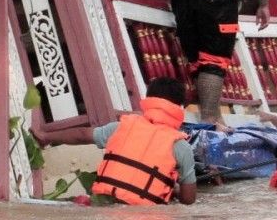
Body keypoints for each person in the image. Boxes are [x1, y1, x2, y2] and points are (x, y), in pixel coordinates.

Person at [33, 77, 197, 205]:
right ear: (180, 107)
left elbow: (82, 134)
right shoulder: (181, 146)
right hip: (147, 217)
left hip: (106, 203)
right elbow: (189, 199)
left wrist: (46, 137)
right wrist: (173, 190)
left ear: (148, 100)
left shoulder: (121, 126)